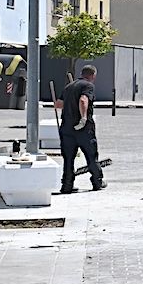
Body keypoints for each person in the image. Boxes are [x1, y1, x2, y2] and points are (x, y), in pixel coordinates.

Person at [54, 64, 104, 194]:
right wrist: (83, 118)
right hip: (83, 129)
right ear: (93, 75)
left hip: (67, 128)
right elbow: (83, 100)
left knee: (68, 159)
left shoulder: (69, 86)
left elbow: (58, 104)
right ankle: (97, 182)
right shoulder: (88, 86)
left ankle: (67, 185)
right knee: (91, 156)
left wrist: (70, 104)